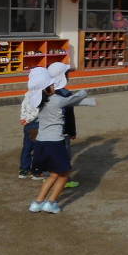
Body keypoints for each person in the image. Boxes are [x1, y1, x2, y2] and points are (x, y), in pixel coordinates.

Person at [27, 81, 90, 214]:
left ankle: (37, 202)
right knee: (64, 174)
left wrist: (90, 102)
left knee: (53, 174)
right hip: (55, 143)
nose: (54, 87)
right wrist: (85, 92)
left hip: (41, 142)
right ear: (47, 89)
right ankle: (51, 203)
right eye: (52, 85)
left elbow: (69, 101)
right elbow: (73, 99)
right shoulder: (57, 100)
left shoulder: (39, 101)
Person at [48, 61, 80, 189]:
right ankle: (64, 180)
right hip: (62, 131)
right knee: (65, 156)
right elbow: (69, 115)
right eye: (67, 74)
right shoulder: (66, 94)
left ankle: (49, 177)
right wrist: (72, 132)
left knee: (51, 154)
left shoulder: (46, 92)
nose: (68, 76)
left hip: (48, 130)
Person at [19, 67, 51, 179]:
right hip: (36, 124)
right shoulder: (42, 96)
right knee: (38, 149)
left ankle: (23, 170)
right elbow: (37, 111)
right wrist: (28, 119)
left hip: (27, 124)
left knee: (27, 147)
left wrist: (23, 118)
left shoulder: (28, 93)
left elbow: (23, 107)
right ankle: (36, 171)